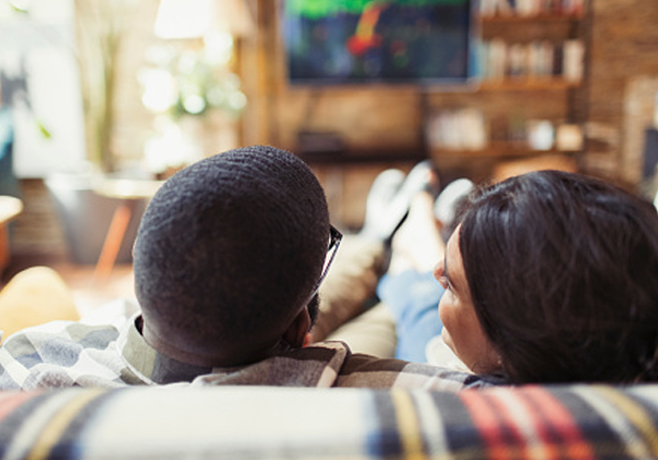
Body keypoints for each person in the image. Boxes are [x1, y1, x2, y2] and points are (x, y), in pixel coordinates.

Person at [0, 145, 495, 390]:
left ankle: (386, 237)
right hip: (309, 356)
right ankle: (400, 244)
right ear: (302, 330)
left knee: (343, 289)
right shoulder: (405, 391)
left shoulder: (28, 361)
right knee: (403, 305)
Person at [334, 168, 658, 385]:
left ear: (511, 346)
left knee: (418, 295)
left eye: (451, 285)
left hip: (430, 335)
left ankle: (397, 229)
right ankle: (416, 227)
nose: (438, 273)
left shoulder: (455, 392)